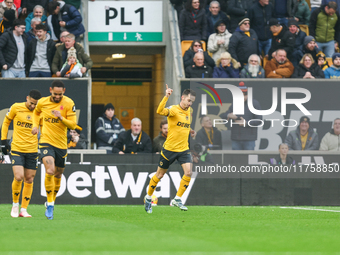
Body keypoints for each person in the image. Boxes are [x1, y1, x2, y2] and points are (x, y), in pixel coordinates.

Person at [31, 80, 80, 220]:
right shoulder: (42, 102)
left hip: (61, 144)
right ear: (50, 90)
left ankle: (51, 200)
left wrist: (61, 117)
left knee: (58, 175)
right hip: (46, 141)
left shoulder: (69, 103)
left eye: (60, 94)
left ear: (63, 91)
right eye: (55, 94)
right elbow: (36, 112)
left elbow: (73, 125)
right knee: (50, 171)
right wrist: (35, 126)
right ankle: (50, 204)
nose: (57, 97)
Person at [144, 86, 196, 213]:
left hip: (183, 149)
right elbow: (159, 111)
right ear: (182, 98)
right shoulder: (173, 109)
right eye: (189, 101)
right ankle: (148, 197)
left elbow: (184, 125)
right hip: (169, 149)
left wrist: (190, 131)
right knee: (160, 175)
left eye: (192, 102)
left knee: (188, 172)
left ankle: (177, 199)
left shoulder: (190, 111)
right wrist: (166, 96)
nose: (190, 104)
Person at [1, 89, 42, 218]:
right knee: (18, 177)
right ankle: (15, 205)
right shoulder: (16, 107)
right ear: (27, 98)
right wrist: (3, 140)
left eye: (35, 104)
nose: (33, 106)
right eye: (31, 103)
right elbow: (6, 122)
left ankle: (23, 209)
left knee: (29, 179)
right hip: (17, 148)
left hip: (32, 150)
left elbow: (46, 128)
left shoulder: (39, 112)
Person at [219, 83, 262, 150]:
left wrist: (246, 123)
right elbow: (223, 116)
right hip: (235, 138)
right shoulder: (234, 104)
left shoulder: (254, 104)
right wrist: (229, 115)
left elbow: (259, 120)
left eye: (244, 95)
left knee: (248, 159)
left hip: (249, 139)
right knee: (236, 160)